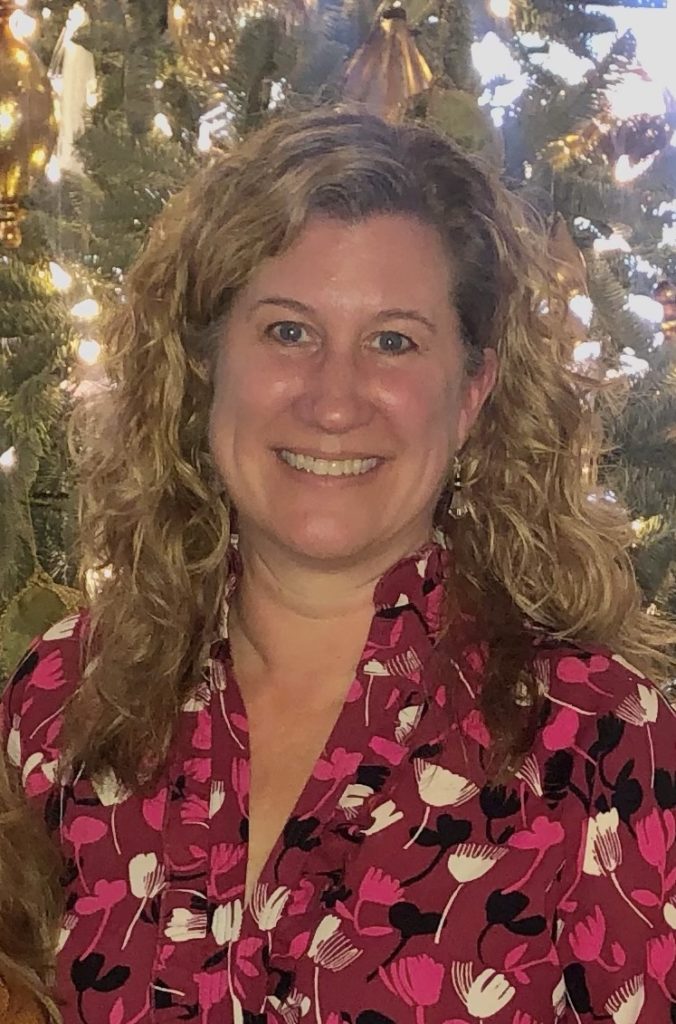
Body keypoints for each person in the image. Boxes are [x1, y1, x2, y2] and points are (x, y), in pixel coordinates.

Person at [1, 107, 675, 1024]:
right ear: (206, 369)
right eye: (287, 331)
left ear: (472, 394)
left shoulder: (608, 747)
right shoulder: (56, 701)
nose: (331, 399)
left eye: (394, 341)